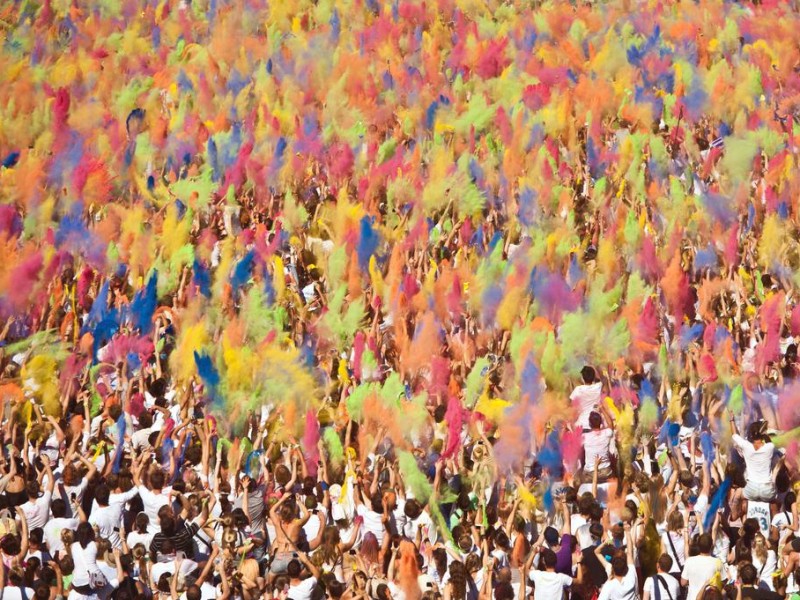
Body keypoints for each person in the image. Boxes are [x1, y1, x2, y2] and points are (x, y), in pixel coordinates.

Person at [681, 534, 724, 600]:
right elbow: (724, 580)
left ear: (698, 546)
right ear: (711, 546)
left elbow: (683, 583)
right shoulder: (717, 562)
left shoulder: (689, 561)